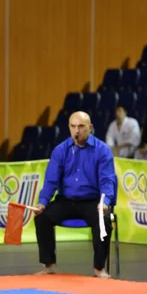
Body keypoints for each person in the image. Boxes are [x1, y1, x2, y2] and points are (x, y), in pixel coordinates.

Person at [33, 111, 115, 279]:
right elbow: (51, 181)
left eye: (81, 126)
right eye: (73, 127)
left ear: (90, 128)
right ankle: (49, 265)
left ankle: (99, 268)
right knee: (42, 217)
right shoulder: (60, 150)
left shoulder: (102, 151)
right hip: (66, 201)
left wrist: (105, 201)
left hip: (92, 201)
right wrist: (42, 202)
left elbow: (107, 180)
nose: (77, 131)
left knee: (103, 222)